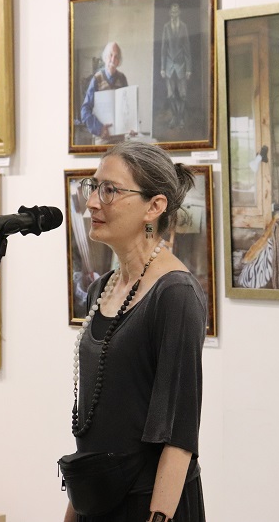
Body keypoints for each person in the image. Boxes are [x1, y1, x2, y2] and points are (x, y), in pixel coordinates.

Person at [64, 141, 207, 522]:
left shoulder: (175, 294)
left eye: (109, 190)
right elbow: (98, 426)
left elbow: (179, 435)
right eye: (93, 187)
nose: (92, 203)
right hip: (98, 500)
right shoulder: (102, 288)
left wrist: (158, 517)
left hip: (149, 506)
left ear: (154, 206)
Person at [80, 42, 130, 144]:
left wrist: (131, 126)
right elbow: (85, 110)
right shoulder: (96, 79)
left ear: (119, 61)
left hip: (119, 140)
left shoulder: (122, 78)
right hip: (102, 139)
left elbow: (128, 107)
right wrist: (99, 129)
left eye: (116, 57)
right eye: (110, 55)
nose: (113, 59)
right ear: (105, 57)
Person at [160, 3, 192, 129]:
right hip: (169, 66)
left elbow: (187, 48)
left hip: (181, 65)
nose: (174, 14)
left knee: (182, 94)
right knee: (171, 94)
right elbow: (163, 48)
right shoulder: (166, 27)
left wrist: (188, 69)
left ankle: (181, 118)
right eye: (172, 12)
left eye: (176, 12)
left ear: (179, 13)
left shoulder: (183, 27)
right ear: (170, 13)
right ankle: (175, 117)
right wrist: (162, 68)